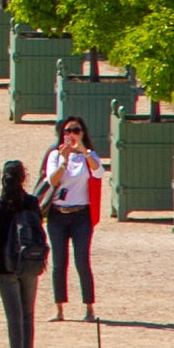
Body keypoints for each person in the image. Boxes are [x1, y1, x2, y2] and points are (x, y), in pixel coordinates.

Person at [40, 117, 102, 322]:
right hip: (58, 214)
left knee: (82, 261)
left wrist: (84, 151)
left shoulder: (88, 155)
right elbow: (52, 180)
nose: (72, 134)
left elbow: (99, 172)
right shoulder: (55, 155)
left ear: (83, 133)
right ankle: (59, 309)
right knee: (59, 262)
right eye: (68, 131)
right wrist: (64, 159)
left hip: (81, 215)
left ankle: (89, 308)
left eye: (76, 130)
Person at [0, 159, 48, 348]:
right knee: (27, 314)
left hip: (5, 267)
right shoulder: (31, 202)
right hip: (29, 263)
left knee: (13, 317)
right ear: (23, 178)